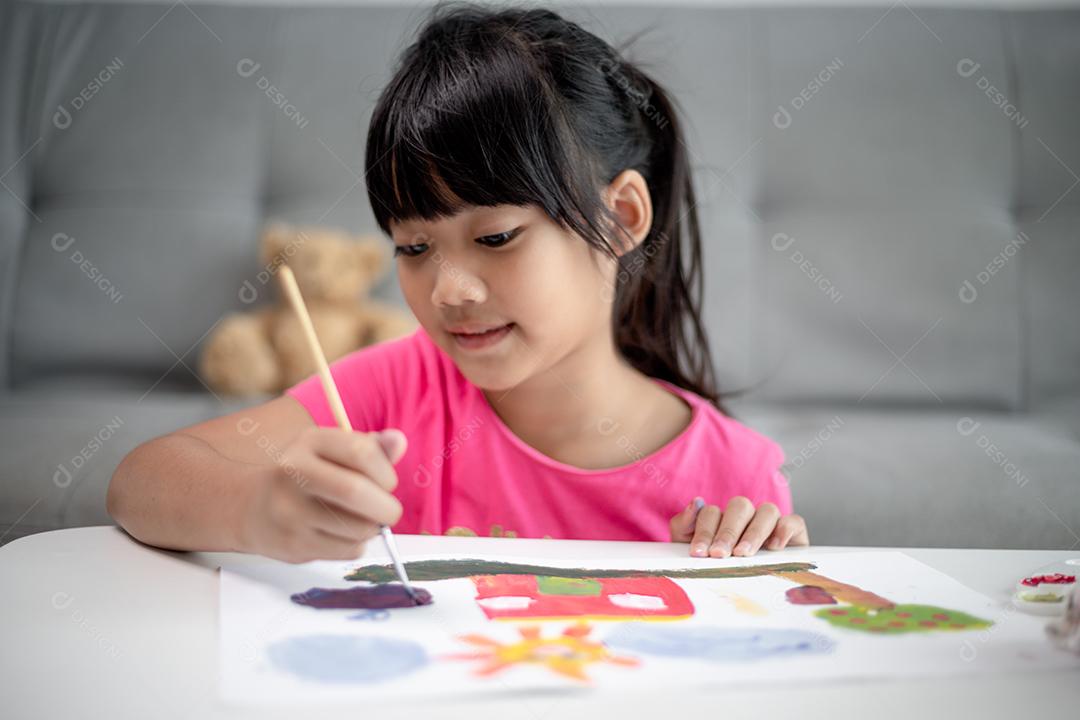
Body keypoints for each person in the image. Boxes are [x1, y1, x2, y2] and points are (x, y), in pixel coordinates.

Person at [107, 3, 808, 563]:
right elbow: (140, 481)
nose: (448, 292)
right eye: (413, 247)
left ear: (621, 217)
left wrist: (772, 573)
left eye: (495, 238)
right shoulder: (394, 392)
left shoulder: (735, 478)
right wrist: (258, 509)